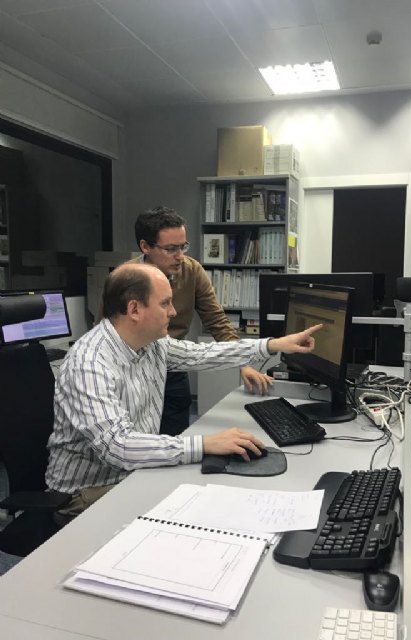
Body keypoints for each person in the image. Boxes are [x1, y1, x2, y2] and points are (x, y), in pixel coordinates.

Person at [46, 262, 322, 523]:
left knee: (212, 491)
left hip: (132, 472)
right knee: (202, 510)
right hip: (87, 493)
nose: (173, 312)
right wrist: (204, 444)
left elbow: (203, 354)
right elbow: (118, 446)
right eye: (165, 303)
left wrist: (273, 345)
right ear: (134, 309)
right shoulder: (90, 363)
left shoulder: (152, 344)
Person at [132, 206, 273, 435]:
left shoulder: (191, 271)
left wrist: (242, 363)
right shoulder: (125, 279)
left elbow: (216, 319)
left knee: (177, 435)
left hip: (174, 365)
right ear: (145, 247)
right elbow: (106, 331)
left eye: (183, 246)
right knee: (138, 438)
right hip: (134, 371)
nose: (180, 256)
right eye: (171, 249)